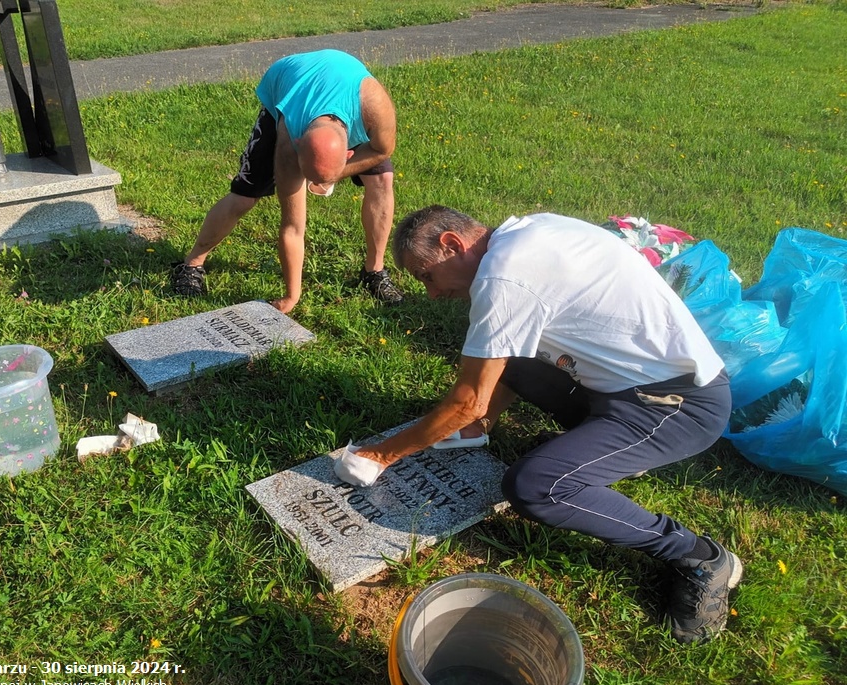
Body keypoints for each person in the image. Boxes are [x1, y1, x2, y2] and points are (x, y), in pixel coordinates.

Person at [335, 205, 742, 643]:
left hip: (679, 407)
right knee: (500, 346)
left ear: (452, 244)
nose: (432, 294)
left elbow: (468, 399)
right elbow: (490, 379)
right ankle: (592, 447)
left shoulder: (505, 275)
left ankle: (699, 557)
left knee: (536, 487)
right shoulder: (525, 234)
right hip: (623, 384)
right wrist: (478, 420)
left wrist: (378, 456)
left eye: (426, 277)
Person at [170, 49, 404, 313]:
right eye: (309, 177)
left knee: (382, 179)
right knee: (245, 196)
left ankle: (374, 270)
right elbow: (292, 227)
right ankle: (192, 263)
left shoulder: (374, 106)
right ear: (297, 146)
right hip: (289, 83)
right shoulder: (287, 142)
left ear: (350, 152)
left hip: (344, 85)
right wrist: (291, 295)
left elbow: (383, 150)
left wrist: (333, 175)